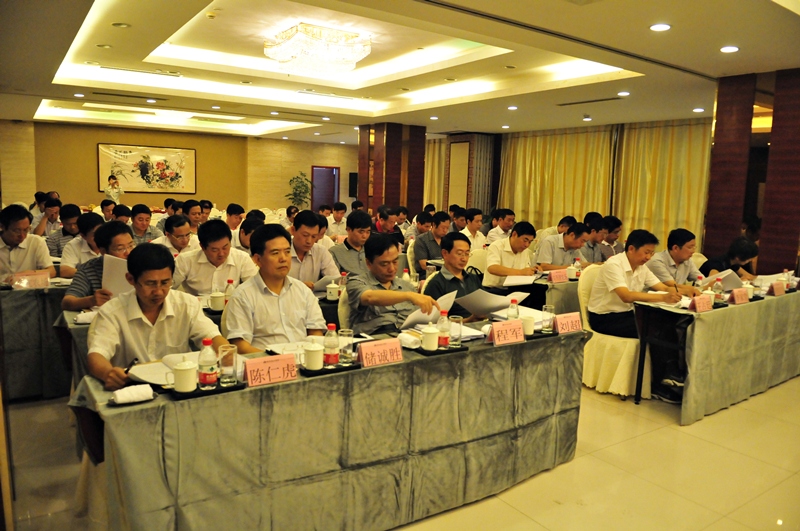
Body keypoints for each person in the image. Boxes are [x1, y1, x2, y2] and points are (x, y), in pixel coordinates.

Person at [86, 244, 227, 391]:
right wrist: (108, 373)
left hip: (179, 386)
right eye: (150, 284)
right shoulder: (112, 312)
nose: (158, 292)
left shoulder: (187, 304)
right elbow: (97, 354)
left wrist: (225, 353)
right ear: (130, 279)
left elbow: (211, 336)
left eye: (165, 283)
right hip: (133, 388)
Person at [226, 225, 326, 352]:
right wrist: (276, 360)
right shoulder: (242, 296)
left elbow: (315, 332)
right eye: (275, 253)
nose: (283, 258)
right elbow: (240, 346)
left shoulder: (302, 290)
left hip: (304, 358)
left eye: (287, 252)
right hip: (265, 361)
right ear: (257, 260)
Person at [587, 229, 681, 339]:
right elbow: (626, 296)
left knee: (668, 322)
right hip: (605, 317)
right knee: (655, 329)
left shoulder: (641, 267)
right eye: (646, 252)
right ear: (631, 249)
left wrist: (683, 292)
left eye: (651, 253)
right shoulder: (613, 264)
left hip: (628, 313)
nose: (648, 257)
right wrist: (663, 297)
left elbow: (663, 288)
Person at [347, 233, 440, 335]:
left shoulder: (406, 285)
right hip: (375, 337)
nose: (392, 269)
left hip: (408, 335)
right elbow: (369, 297)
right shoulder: (356, 282)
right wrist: (408, 296)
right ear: (369, 263)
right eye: (384, 264)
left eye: (395, 261)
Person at [173, 219, 258, 296]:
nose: (221, 254)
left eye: (225, 247)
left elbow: (255, 289)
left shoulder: (242, 258)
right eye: (215, 250)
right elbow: (168, 288)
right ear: (202, 247)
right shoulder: (185, 260)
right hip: (196, 306)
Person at [61, 221, 135, 311]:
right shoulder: (88, 270)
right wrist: (92, 300)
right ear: (103, 251)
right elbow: (67, 302)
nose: (128, 252)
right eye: (120, 249)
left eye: (131, 246)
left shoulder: (143, 264)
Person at [424, 232, 484, 320]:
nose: (464, 259)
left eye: (467, 254)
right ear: (445, 253)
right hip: (456, 327)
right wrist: (467, 321)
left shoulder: (473, 278)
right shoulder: (436, 284)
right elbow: (433, 321)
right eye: (459, 253)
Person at [0, 205, 55, 281]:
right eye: (17, 231)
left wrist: (28, 274)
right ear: (2, 226)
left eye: (26, 230)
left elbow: (51, 271)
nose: (22, 235)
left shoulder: (36, 242)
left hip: (27, 287)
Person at [288, 210, 339, 288]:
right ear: (293, 230)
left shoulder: (320, 251)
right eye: (305, 235)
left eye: (314, 236)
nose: (309, 241)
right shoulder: (281, 251)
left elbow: (335, 279)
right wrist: (300, 286)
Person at [646, 228, 704, 294]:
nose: (693, 251)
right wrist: (694, 289)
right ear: (675, 248)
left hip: (675, 298)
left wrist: (710, 282)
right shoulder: (656, 261)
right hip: (653, 298)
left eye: (694, 247)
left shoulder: (687, 261)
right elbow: (672, 285)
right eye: (690, 247)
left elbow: (702, 280)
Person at [483, 221, 538, 288]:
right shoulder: (496, 246)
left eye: (530, 242)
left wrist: (533, 270)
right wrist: (520, 272)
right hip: (494, 288)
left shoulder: (525, 250)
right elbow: (492, 268)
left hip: (515, 288)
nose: (527, 245)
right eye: (525, 240)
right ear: (514, 234)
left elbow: (525, 270)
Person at [60, 212, 104, 278]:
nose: (100, 236)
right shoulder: (73, 245)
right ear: (83, 236)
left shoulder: (112, 242)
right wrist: (92, 274)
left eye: (102, 232)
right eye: (94, 234)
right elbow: (65, 271)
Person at [330, 210, 371, 277]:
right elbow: (336, 279)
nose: (365, 236)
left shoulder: (372, 249)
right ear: (348, 229)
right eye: (361, 232)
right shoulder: (334, 252)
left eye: (368, 232)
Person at [413, 211, 450, 278]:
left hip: (446, 273)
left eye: (447, 228)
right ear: (434, 225)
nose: (445, 231)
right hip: (426, 274)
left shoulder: (447, 239)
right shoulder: (422, 239)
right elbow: (424, 265)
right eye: (443, 228)